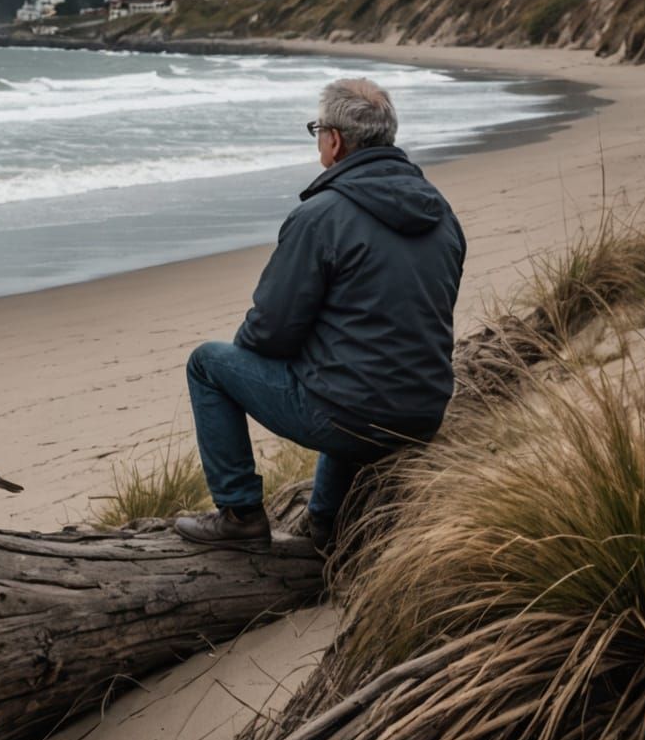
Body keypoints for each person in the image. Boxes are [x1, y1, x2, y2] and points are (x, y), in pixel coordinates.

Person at [174, 77, 465, 554]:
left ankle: (240, 513)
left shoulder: (322, 216)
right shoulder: (442, 214)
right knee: (348, 367)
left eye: (317, 130)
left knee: (208, 364)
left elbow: (270, 330)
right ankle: (324, 523)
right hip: (423, 410)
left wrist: (260, 369)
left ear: (334, 140)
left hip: (351, 415)